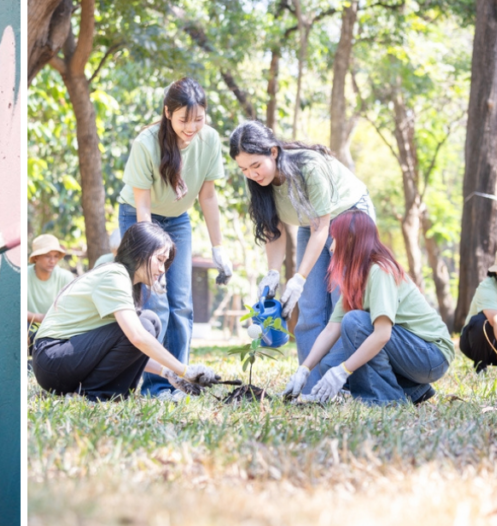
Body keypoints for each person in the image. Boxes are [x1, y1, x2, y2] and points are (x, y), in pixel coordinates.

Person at [117, 77, 232, 399]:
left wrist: (218, 247)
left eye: (199, 118)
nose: (192, 127)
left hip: (179, 219)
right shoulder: (146, 143)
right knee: (156, 301)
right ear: (168, 113)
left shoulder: (209, 141)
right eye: (184, 119)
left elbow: (207, 197)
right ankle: (156, 386)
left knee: (181, 303)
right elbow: (141, 204)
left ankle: (180, 381)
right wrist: (151, 252)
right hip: (140, 219)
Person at [229, 120, 375, 363]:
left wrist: (299, 278)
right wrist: (273, 272)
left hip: (350, 215)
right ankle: (309, 379)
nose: (251, 174)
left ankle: (344, 380)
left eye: (255, 165)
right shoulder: (259, 183)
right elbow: (273, 231)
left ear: (273, 152)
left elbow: (322, 229)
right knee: (309, 304)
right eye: (244, 169)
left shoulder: (308, 167)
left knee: (342, 301)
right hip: (313, 222)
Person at [31, 222, 220, 402]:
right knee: (145, 324)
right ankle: (96, 394)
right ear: (140, 253)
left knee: (150, 321)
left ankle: (98, 393)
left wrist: (167, 373)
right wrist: (184, 370)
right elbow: (137, 337)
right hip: (51, 360)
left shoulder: (127, 282)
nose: (162, 269)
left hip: (63, 360)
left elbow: (124, 349)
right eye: (160, 260)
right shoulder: (115, 275)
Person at [281, 210, 452, 405]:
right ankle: (413, 391)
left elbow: (382, 335)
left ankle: (385, 399)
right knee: (330, 363)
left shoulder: (379, 271)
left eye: (336, 239)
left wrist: (344, 371)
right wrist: (304, 369)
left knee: (355, 323)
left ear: (352, 240)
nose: (332, 247)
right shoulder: (356, 278)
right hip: (411, 351)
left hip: (431, 354)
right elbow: (331, 330)